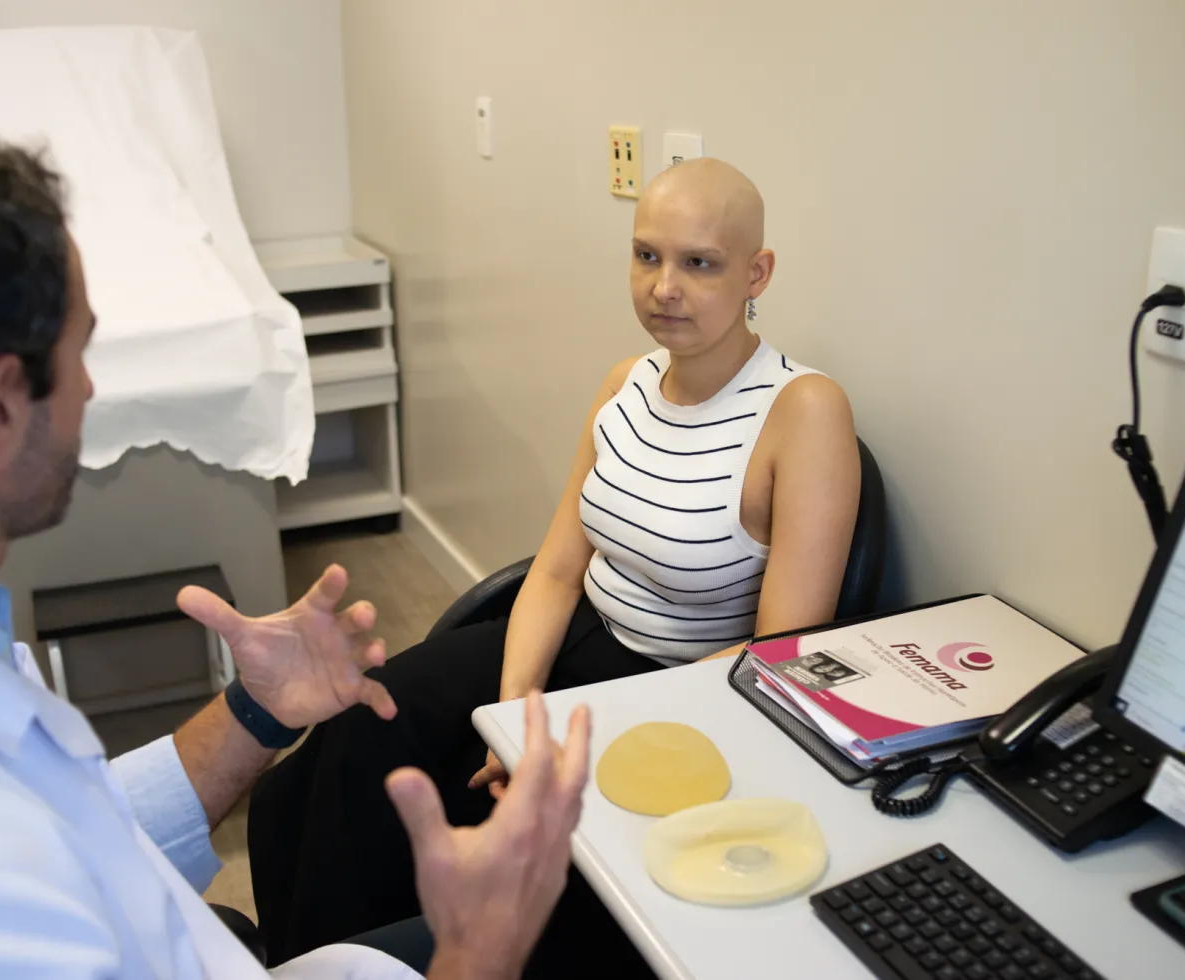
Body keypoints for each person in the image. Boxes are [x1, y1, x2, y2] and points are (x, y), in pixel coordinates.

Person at [0, 105, 592, 980]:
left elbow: (82, 830)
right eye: (81, 354)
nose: (92, 388)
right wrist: (481, 949)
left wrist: (251, 714)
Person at [248, 158, 862, 971]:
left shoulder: (804, 412)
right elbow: (555, 571)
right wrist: (510, 717)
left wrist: (545, 742)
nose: (663, 287)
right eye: (646, 256)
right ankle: (310, 965)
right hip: (574, 635)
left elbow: (778, 654)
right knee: (355, 739)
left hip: (681, 685)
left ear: (758, 272)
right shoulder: (626, 383)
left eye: (699, 263)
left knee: (442, 815)